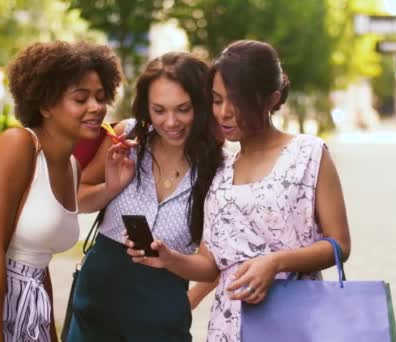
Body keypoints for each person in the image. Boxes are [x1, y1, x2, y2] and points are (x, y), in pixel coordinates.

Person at [126, 39, 352, 341]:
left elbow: (340, 245)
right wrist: (169, 258)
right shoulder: (220, 169)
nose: (224, 113)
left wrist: (275, 262)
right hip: (228, 329)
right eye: (217, 100)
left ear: (271, 99)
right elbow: (210, 265)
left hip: (298, 323)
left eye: (237, 100)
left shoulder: (309, 154)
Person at [0, 40, 122, 342]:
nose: (96, 108)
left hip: (29, 307)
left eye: (100, 97)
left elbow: (39, 259)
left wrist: (49, 331)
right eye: (81, 99)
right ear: (44, 105)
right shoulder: (18, 145)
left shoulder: (72, 167)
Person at [67, 51, 223, 342]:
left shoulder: (220, 167)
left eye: (183, 109)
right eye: (159, 110)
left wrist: (185, 298)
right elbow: (79, 199)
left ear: (201, 106)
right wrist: (111, 187)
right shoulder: (126, 137)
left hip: (162, 306)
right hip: (98, 297)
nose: (171, 122)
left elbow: (217, 260)